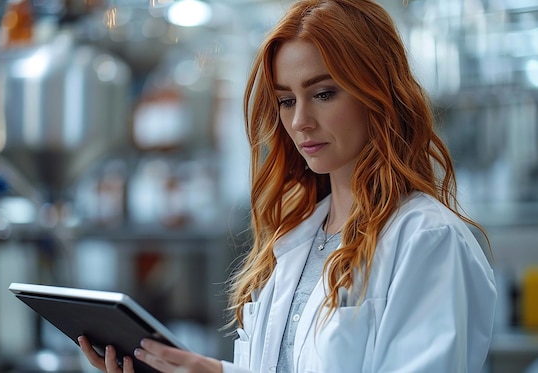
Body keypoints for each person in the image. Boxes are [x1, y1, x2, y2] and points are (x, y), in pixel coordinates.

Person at [79, 0, 497, 371]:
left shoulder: (429, 240)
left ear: (379, 94)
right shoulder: (299, 235)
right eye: (286, 100)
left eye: (324, 93)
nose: (300, 122)